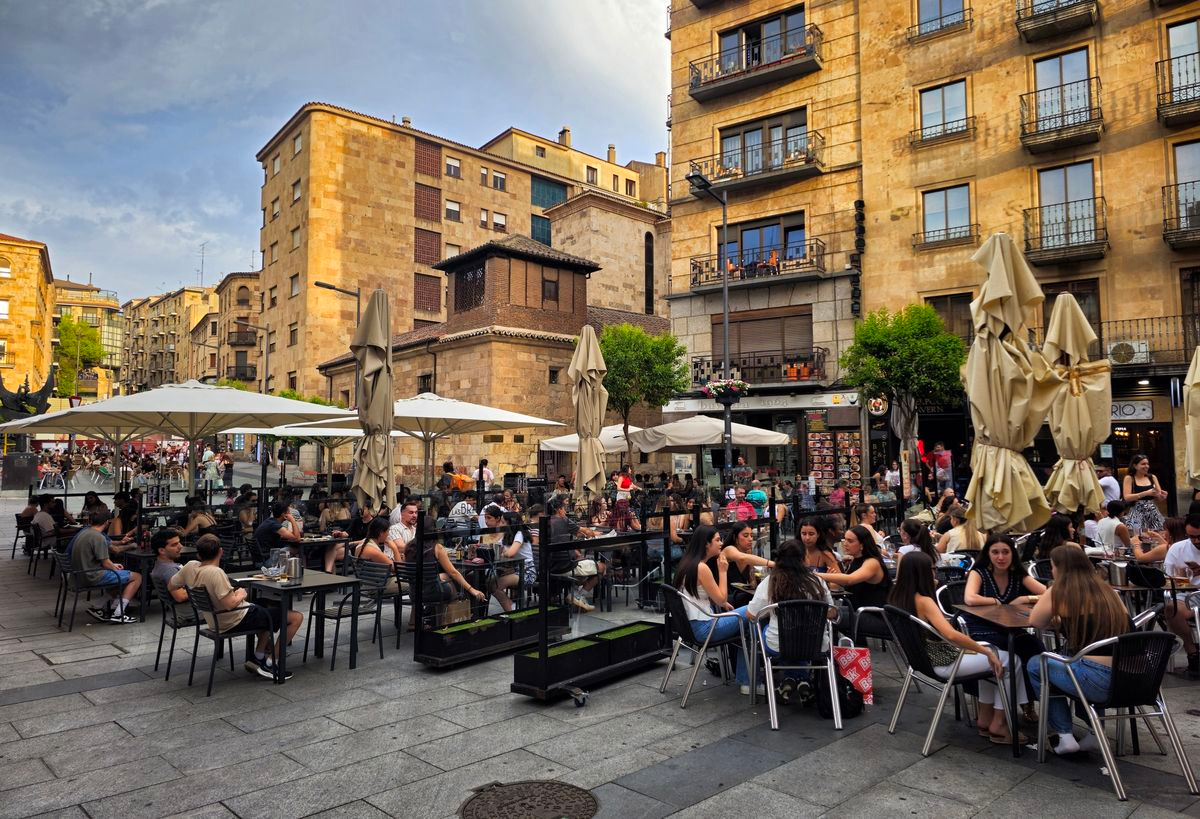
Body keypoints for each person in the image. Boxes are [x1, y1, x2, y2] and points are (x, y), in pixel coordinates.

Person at [890, 551, 1017, 744]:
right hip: (943, 662)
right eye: (932, 569)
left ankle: (985, 718)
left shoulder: (896, 596)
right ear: (922, 573)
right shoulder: (924, 601)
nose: (935, 573)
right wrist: (986, 652)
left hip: (922, 661)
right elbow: (951, 635)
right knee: (1009, 659)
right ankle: (998, 723)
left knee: (994, 656)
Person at [1029, 545, 1135, 752]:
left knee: (1037, 664)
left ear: (1059, 568)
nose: (1051, 571)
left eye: (1052, 567)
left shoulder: (1059, 591)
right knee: (1071, 656)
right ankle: (1095, 733)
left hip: (1098, 682)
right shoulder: (1108, 591)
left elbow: (1036, 621)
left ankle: (1064, 735)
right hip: (1132, 679)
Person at [170, 534, 301, 680]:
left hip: (215, 620)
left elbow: (171, 585)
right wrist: (241, 594)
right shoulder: (215, 572)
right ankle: (271, 663)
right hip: (234, 620)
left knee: (264, 605)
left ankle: (258, 656)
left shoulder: (190, 566)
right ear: (221, 552)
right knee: (296, 617)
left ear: (199, 555)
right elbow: (230, 604)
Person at [964, 533, 1048, 726]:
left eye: (1005, 552)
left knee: (1034, 648)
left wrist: (1026, 598)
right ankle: (999, 711)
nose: (1000, 557)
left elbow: (1048, 592)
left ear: (1013, 554)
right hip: (981, 628)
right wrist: (997, 601)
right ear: (988, 554)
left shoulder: (1018, 574)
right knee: (1008, 649)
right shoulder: (979, 572)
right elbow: (970, 598)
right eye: (995, 552)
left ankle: (1029, 702)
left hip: (1010, 628)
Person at [744, 538, 837, 703]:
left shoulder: (771, 582)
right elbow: (831, 613)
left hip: (778, 644)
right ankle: (801, 679)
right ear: (803, 559)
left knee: (769, 630)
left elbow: (751, 614)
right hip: (816, 644)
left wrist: (772, 612)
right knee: (798, 638)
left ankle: (791, 679)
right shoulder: (817, 582)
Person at [674, 526, 753, 692]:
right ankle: (748, 681)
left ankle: (746, 679)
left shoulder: (687, 563)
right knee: (753, 610)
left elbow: (702, 594)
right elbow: (721, 598)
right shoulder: (702, 568)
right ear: (706, 544)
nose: (721, 543)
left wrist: (722, 603)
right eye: (717, 540)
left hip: (690, 627)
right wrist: (723, 571)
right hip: (705, 628)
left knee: (747, 622)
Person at [823, 524, 892, 641]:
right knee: (824, 611)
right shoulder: (855, 560)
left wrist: (815, 575)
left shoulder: (872, 562)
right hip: (858, 611)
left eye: (850, 541)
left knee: (827, 616)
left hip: (877, 617)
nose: (845, 544)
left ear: (862, 545)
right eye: (845, 540)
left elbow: (850, 579)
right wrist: (833, 577)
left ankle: (835, 650)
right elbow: (847, 584)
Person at [72, 510, 141, 624]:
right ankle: (119, 613)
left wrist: (113, 566)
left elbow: (102, 561)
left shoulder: (84, 533)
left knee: (124, 576)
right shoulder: (98, 537)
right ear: (107, 522)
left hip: (80, 575)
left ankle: (97, 606)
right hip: (92, 576)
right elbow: (105, 563)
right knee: (137, 577)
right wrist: (114, 567)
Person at [546, 496, 602, 612]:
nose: (565, 511)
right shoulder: (564, 520)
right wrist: (594, 533)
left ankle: (574, 590)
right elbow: (584, 531)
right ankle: (577, 595)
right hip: (566, 566)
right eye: (564, 508)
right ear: (559, 509)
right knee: (602, 567)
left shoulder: (546, 522)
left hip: (550, 566)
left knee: (580, 557)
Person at [1162, 515, 1200, 678]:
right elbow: (1167, 578)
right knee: (1171, 608)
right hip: (1187, 594)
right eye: (1191, 537)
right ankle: (1193, 653)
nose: (1196, 541)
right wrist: (1180, 576)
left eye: (1199, 537)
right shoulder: (1178, 548)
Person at [713, 521, 774, 607]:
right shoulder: (729, 549)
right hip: (725, 600)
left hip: (741, 598)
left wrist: (755, 580)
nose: (750, 539)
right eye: (745, 536)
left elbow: (752, 581)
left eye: (751, 536)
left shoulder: (748, 553)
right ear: (735, 538)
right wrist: (773, 564)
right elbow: (742, 558)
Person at [1123, 454, 1167, 533]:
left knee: (1155, 535)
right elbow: (1127, 497)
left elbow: (1158, 497)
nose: (1146, 466)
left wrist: (1163, 496)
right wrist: (1146, 493)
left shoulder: (1152, 477)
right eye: (1143, 464)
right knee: (1139, 536)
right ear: (1135, 466)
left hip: (1152, 511)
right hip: (1137, 511)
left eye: (1147, 464)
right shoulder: (1129, 478)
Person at [612, 465, 639, 532]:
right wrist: (627, 489)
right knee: (621, 514)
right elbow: (618, 488)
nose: (631, 470)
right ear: (626, 470)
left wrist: (638, 488)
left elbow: (632, 485)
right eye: (630, 469)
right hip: (621, 497)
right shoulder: (621, 477)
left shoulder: (628, 478)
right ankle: (620, 529)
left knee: (626, 513)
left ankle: (626, 527)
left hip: (626, 498)